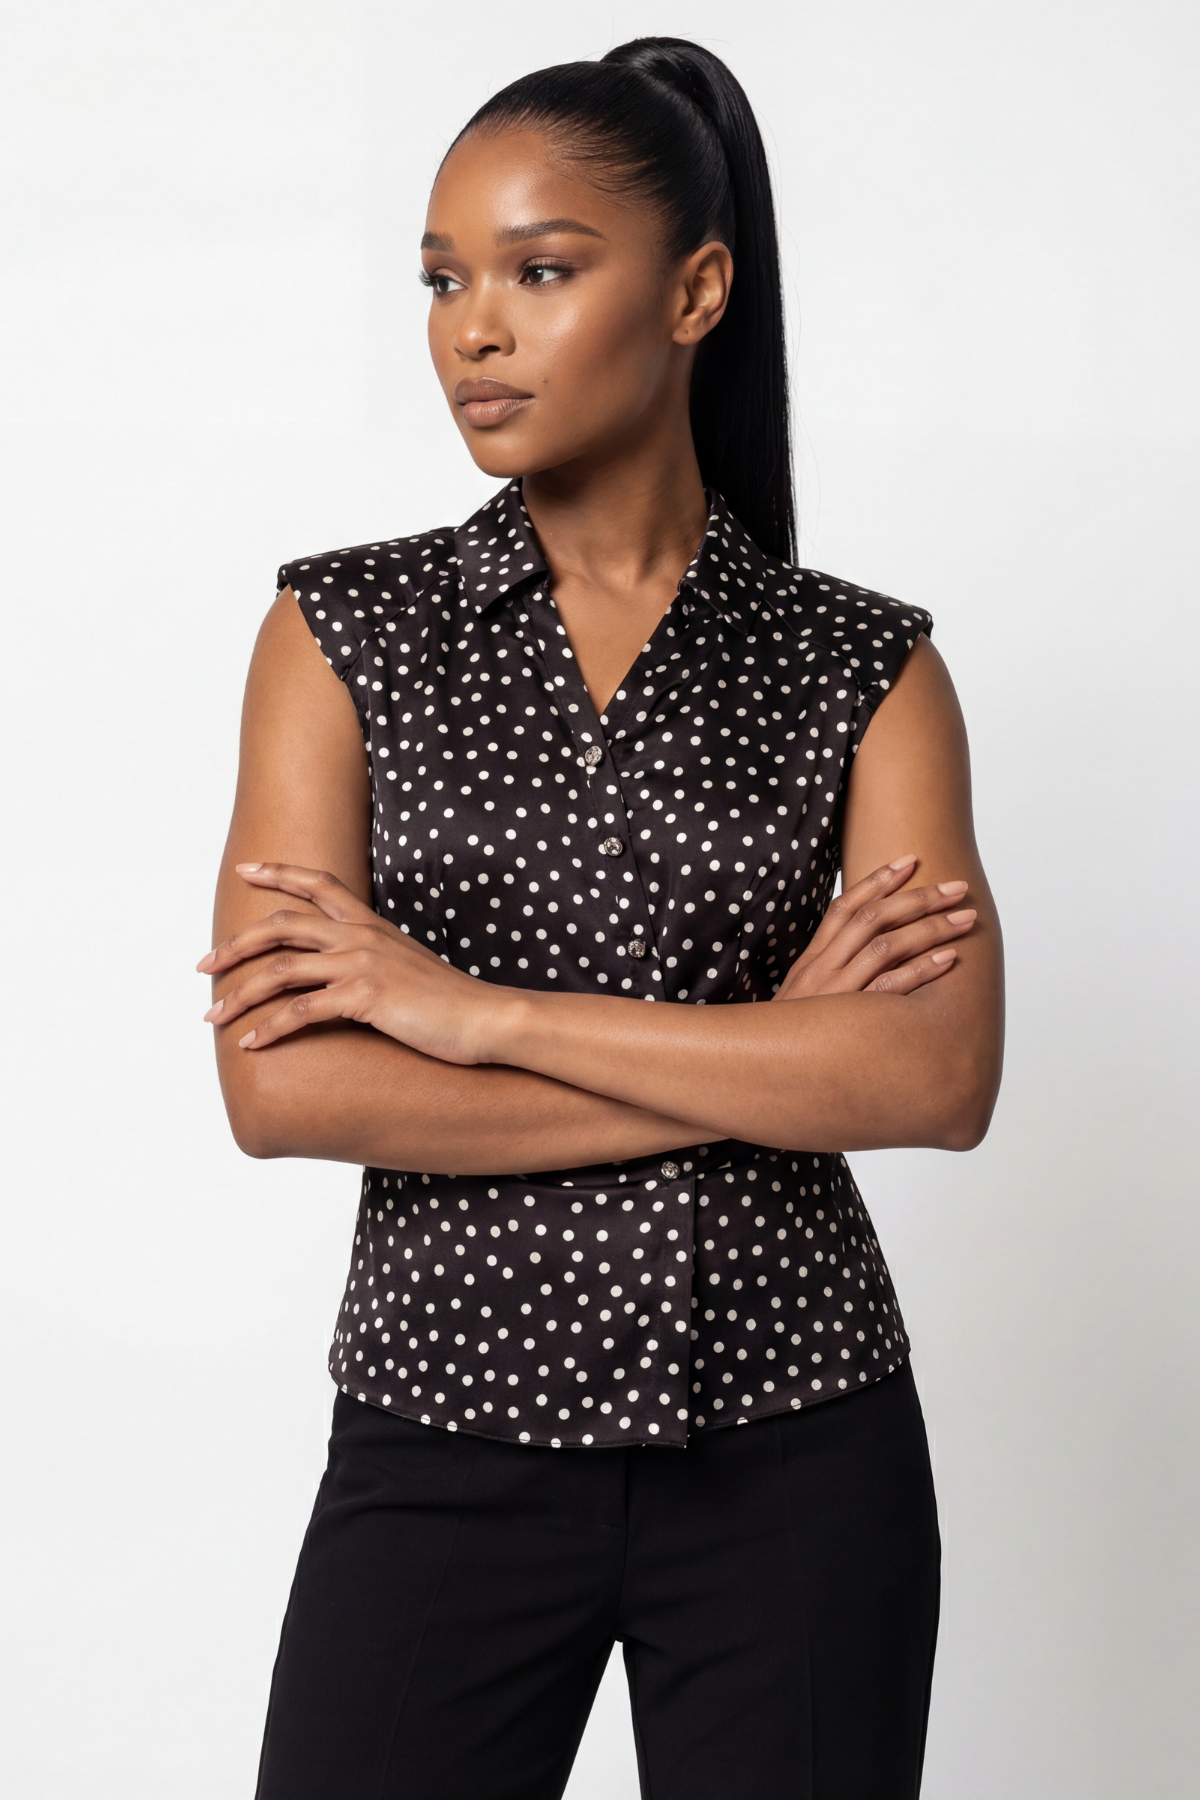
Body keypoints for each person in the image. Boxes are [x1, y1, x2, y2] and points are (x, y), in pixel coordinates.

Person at [200, 36, 1003, 1800]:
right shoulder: (340, 635)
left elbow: (936, 1077)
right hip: (442, 1439)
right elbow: (285, 1091)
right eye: (442, 281)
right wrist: (776, 1057)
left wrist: (473, 1011)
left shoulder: (862, 665)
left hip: (801, 1443)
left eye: (541, 271)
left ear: (697, 288)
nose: (472, 329)